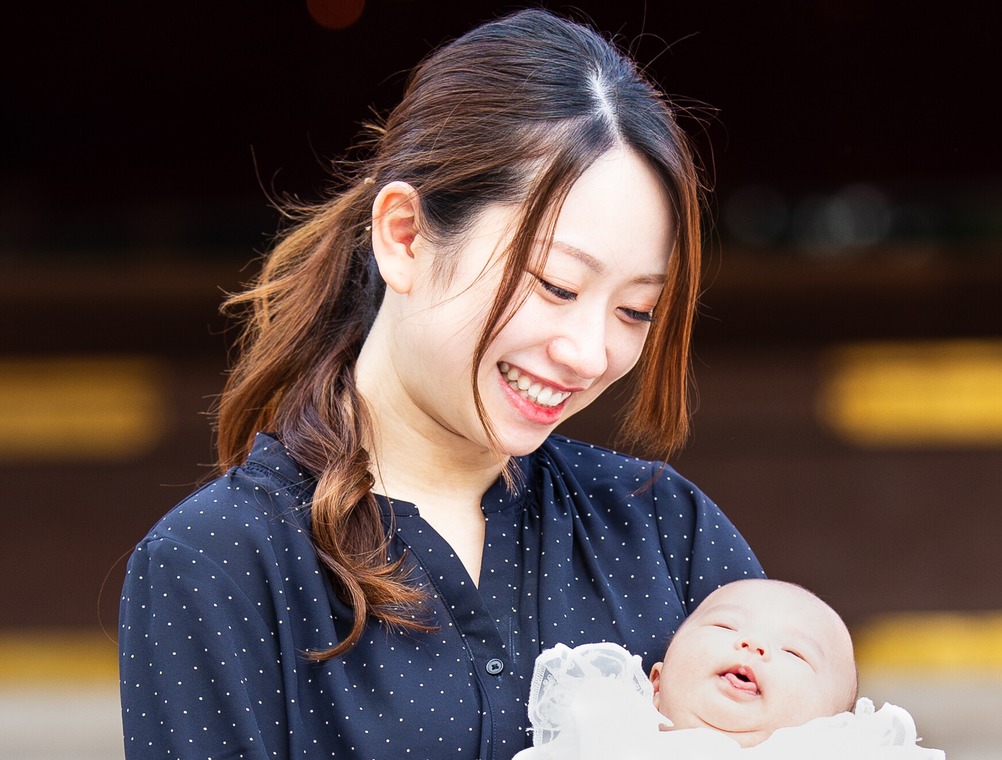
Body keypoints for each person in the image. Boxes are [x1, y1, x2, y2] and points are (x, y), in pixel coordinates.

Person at [118, 9, 763, 759]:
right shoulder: (217, 564)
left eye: (635, 310)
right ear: (404, 236)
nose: (590, 355)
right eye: (555, 286)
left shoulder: (667, 532)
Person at [517, 579, 945, 759]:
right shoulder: (605, 736)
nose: (753, 645)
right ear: (655, 684)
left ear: (835, 726)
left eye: (795, 652)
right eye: (725, 626)